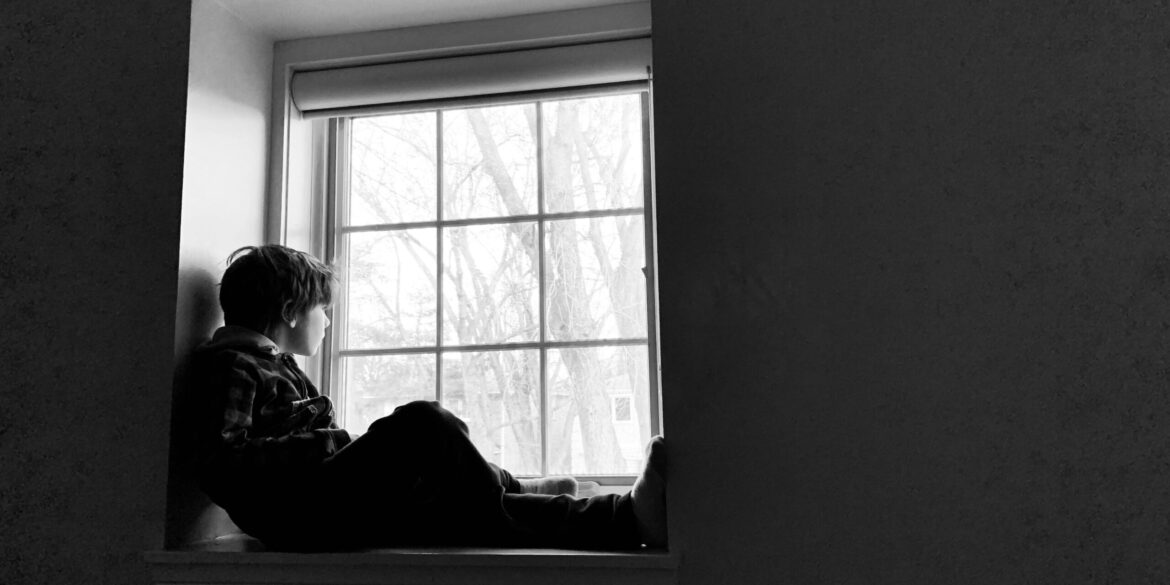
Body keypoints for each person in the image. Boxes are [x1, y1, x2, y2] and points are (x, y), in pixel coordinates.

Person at [195, 244, 666, 551]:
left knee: (457, 509)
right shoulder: (234, 365)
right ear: (290, 312)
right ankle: (514, 488)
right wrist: (331, 443)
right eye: (323, 308)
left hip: (317, 508)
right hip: (296, 517)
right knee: (421, 421)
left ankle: (626, 518)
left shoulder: (275, 364)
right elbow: (221, 465)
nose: (328, 320)